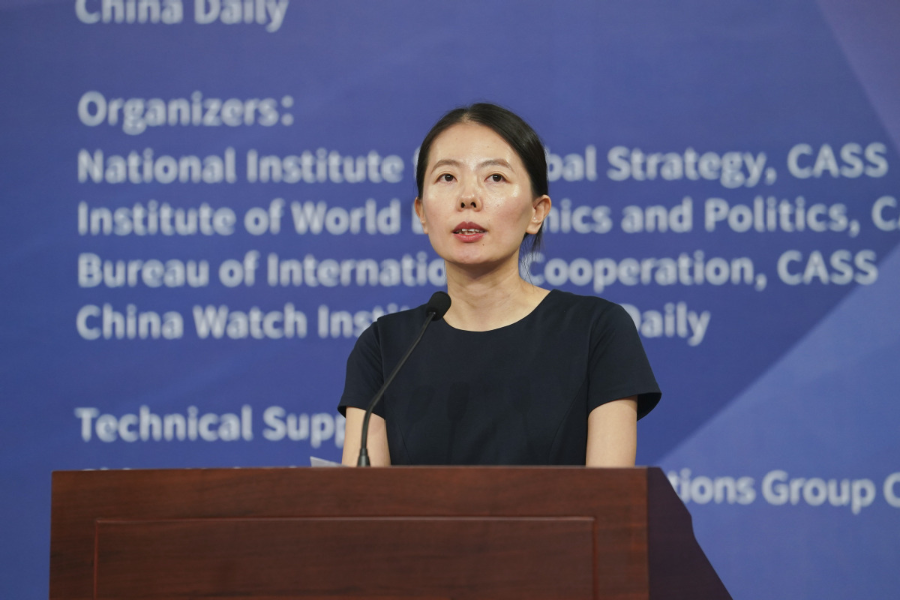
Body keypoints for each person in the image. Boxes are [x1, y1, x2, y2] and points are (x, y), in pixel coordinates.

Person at [339, 103, 660, 467]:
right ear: (422, 213)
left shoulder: (596, 331)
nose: (468, 197)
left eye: (495, 177)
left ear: (537, 212)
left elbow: (610, 496)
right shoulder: (385, 348)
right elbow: (360, 498)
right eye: (447, 177)